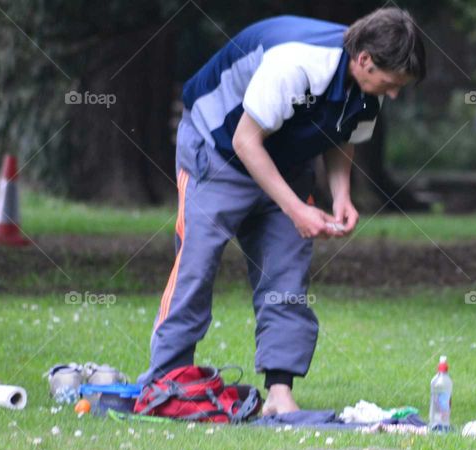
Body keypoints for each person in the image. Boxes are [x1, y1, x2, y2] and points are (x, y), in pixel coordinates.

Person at [138, 10, 426, 415]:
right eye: (392, 83)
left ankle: (279, 393)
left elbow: (343, 136)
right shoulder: (297, 64)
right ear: (364, 60)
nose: (393, 94)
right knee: (196, 266)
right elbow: (246, 140)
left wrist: (341, 195)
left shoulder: (370, 84)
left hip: (285, 161)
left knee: (286, 274)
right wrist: (295, 208)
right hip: (218, 150)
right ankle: (166, 382)